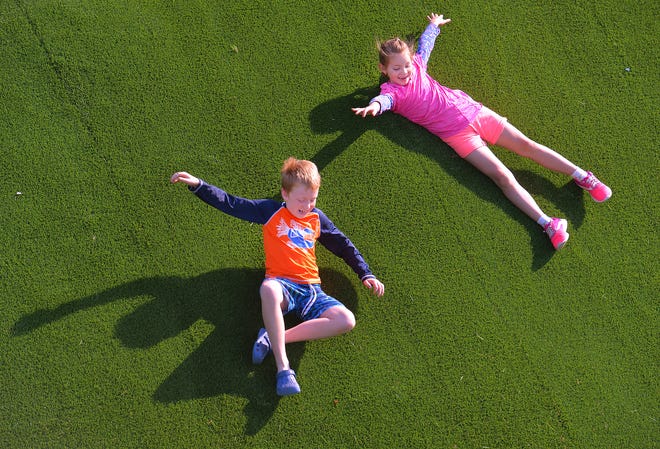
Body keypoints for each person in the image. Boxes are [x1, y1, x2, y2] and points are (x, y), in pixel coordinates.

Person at [352, 13, 612, 250]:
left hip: (476, 112)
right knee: (502, 175)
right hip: (458, 136)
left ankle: (582, 176)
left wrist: (433, 26)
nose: (404, 72)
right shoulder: (391, 93)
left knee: (526, 146)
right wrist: (373, 107)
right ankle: (549, 224)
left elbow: (425, 46)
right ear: (383, 70)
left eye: (406, 65)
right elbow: (384, 102)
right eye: (396, 69)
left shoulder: (418, 65)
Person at [170, 158, 385, 396]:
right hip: (281, 284)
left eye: (313, 199)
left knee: (346, 320)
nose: (307, 205)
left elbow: (343, 244)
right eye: (301, 200)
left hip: (312, 290)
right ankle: (284, 369)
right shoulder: (271, 211)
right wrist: (199, 185)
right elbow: (232, 204)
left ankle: (274, 338)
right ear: (285, 193)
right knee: (268, 290)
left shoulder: (316, 218)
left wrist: (365, 272)